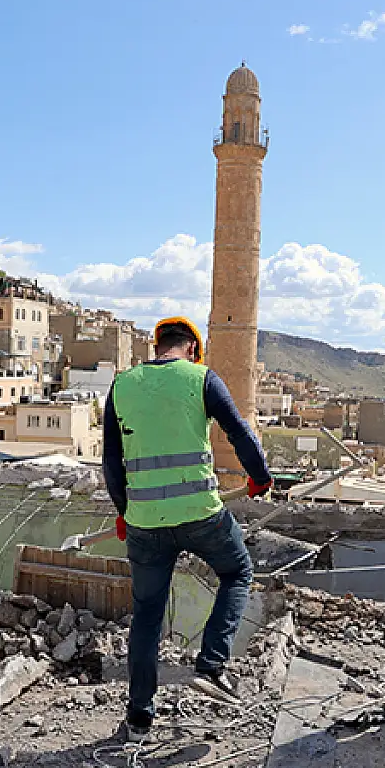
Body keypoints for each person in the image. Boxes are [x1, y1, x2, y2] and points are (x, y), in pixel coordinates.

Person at [103, 317, 273, 740]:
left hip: (145, 523)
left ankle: (139, 716)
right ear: (193, 349)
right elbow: (239, 433)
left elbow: (111, 462)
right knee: (237, 572)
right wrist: (259, 477)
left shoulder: (122, 385)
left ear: (157, 346)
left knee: (147, 615)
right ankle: (211, 664)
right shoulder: (202, 378)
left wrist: (124, 512)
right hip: (200, 514)